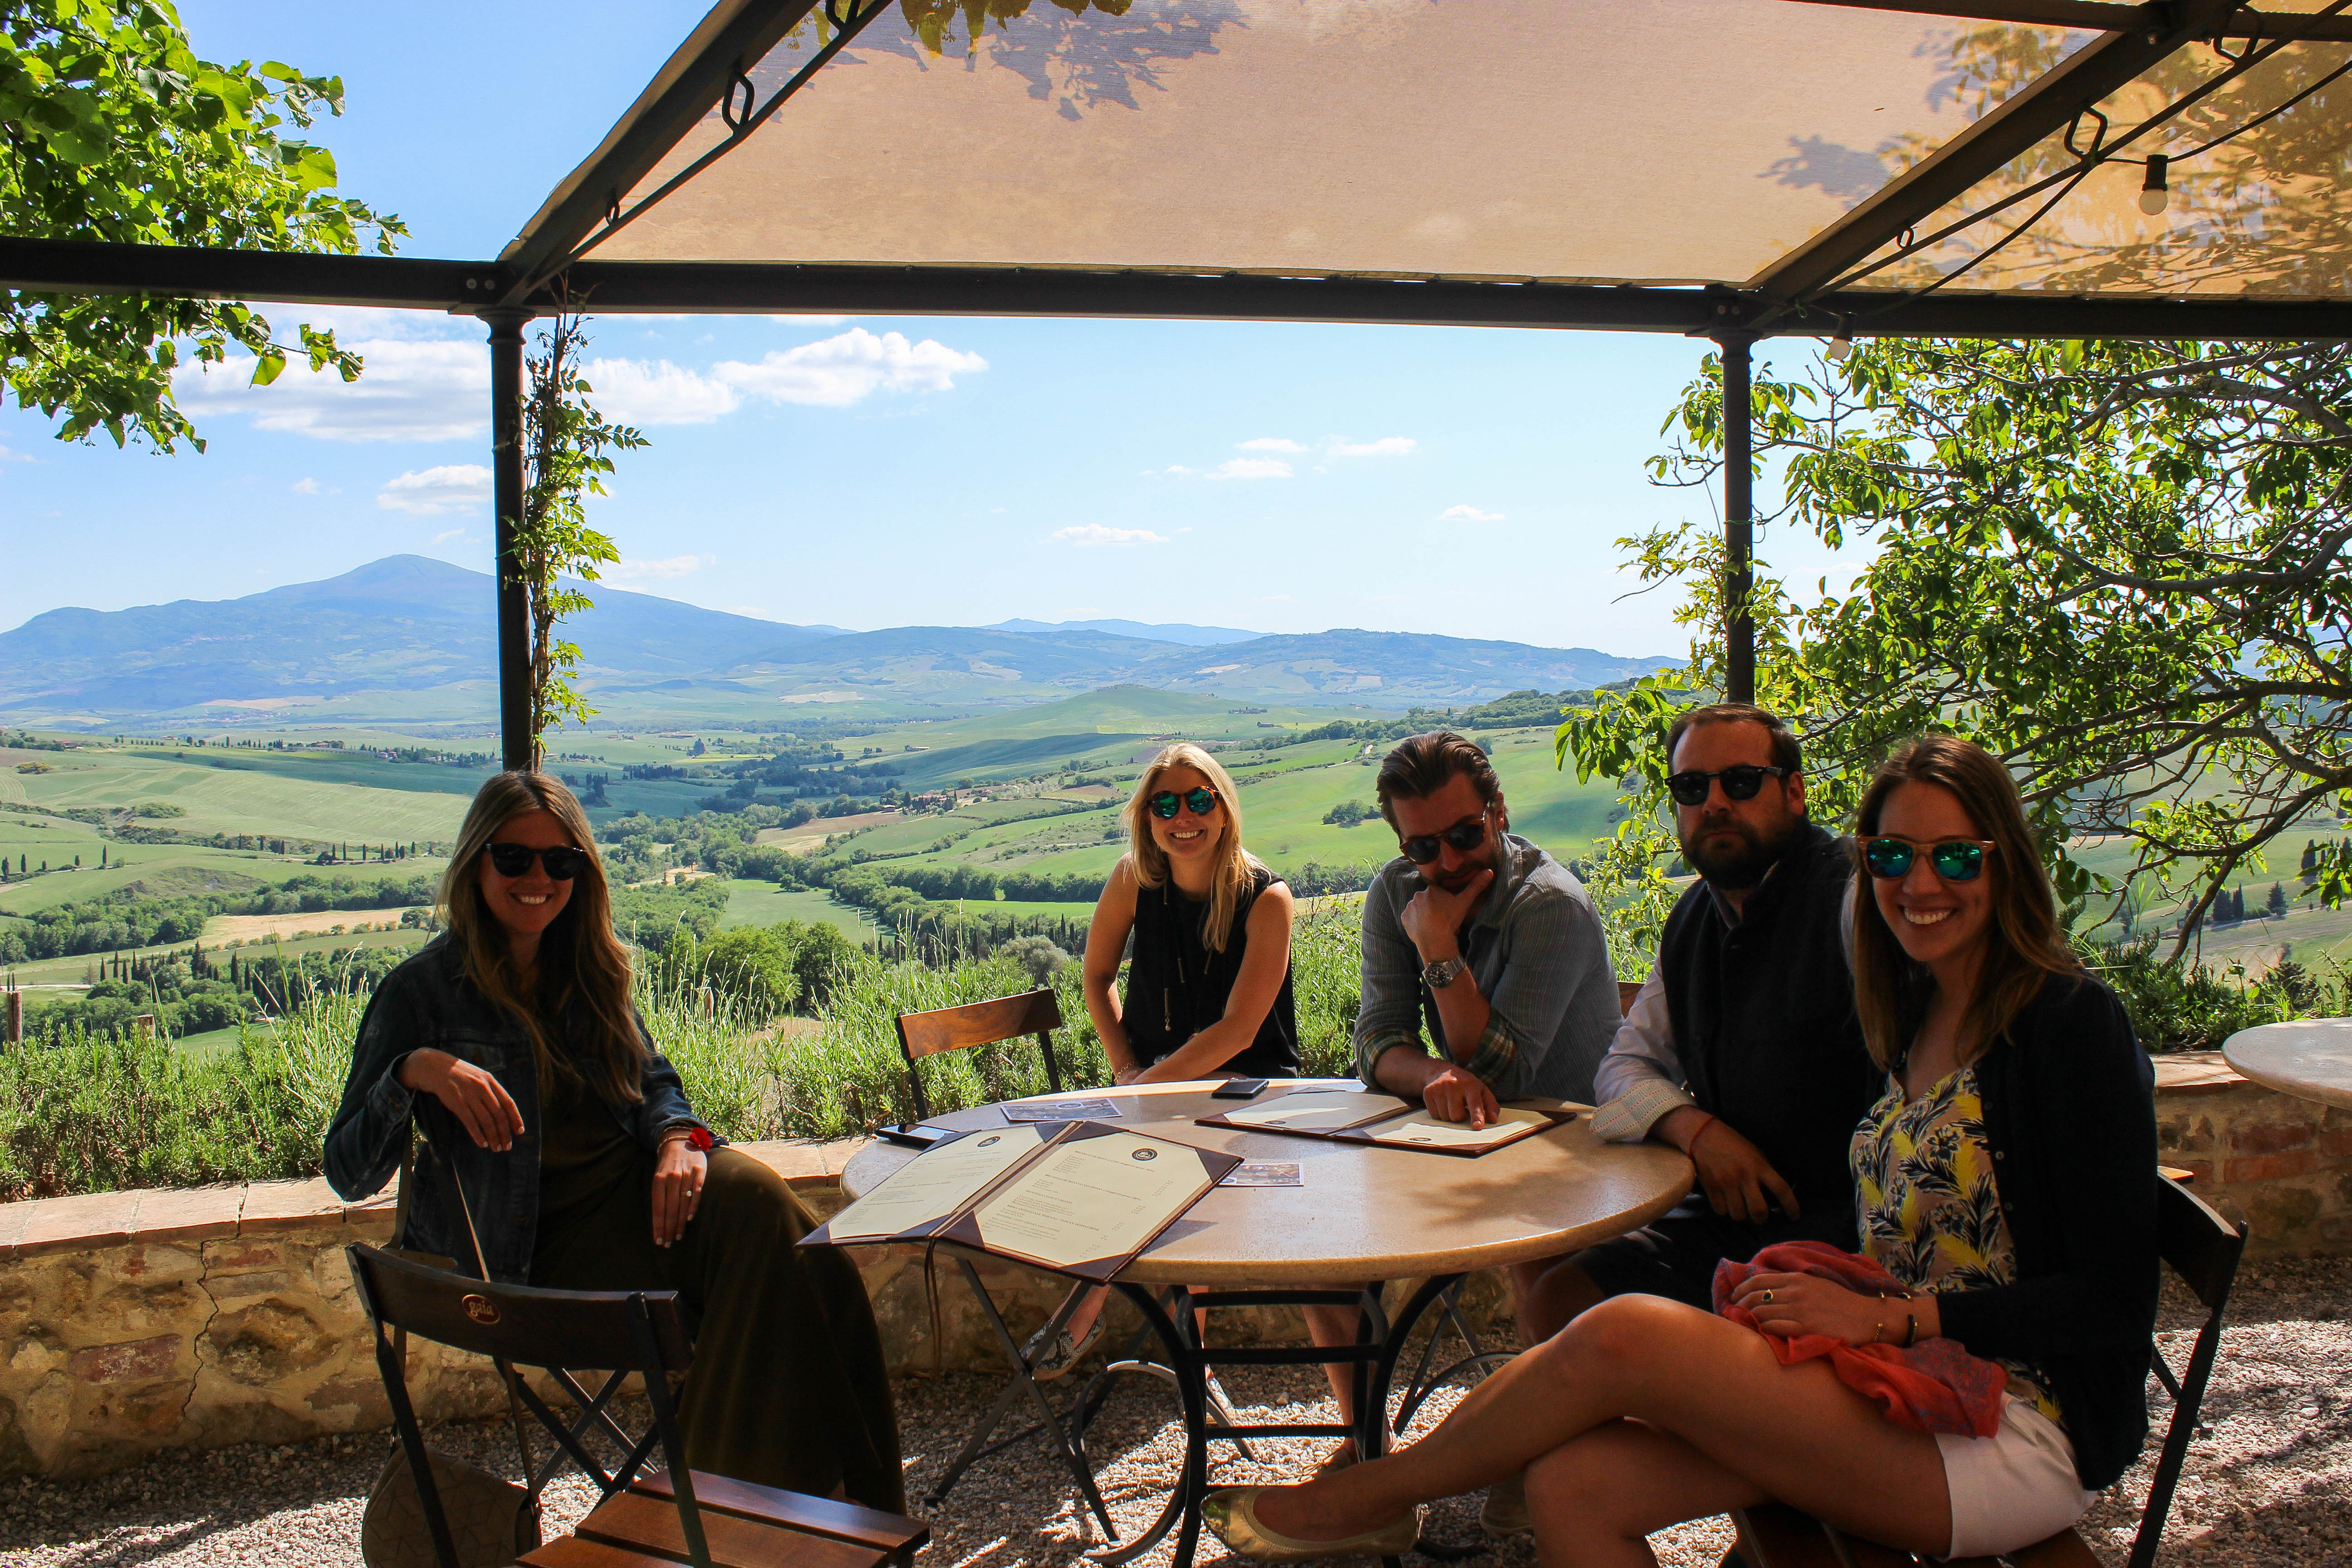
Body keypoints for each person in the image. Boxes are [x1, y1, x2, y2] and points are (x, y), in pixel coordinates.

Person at [1201, 733, 2159, 1566]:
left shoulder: (2068, 1025)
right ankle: (1380, 1491)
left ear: (2008, 863)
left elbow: (2115, 1301)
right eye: (1892, 857)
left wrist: (1894, 1320)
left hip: (2019, 1427)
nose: (1918, 885)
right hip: (1906, 1384)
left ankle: (1372, 1494)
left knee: (1628, 1332)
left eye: (1956, 860)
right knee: (1573, 1486)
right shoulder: (1907, 1013)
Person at [324, 771, 904, 1510]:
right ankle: (756, 1519)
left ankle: (822, 1519)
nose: (538, 879)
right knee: (772, 1270)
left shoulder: (587, 971)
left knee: (800, 1251)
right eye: (515, 859)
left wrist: (680, 1141)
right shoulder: (421, 993)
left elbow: (657, 1083)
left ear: (582, 873)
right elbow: (348, 1172)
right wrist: (414, 1071)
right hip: (529, 1247)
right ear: (477, 861)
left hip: (636, 1202)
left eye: (560, 862)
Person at [1477, 703, 1878, 1537]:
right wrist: (1696, 1130)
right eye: (1692, 787)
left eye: (1740, 782)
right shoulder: (1695, 918)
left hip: (1846, 1231)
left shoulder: (1851, 904)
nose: (1715, 805)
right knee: (1561, 1297)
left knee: (1612, 1334)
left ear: (1795, 793)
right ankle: (1572, 1480)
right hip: (1737, 1218)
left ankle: (1720, 1484)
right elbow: (1622, 1068)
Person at [1311, 730, 1618, 1470]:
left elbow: (1506, 1075)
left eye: (1464, 834)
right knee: (1319, 1256)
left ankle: (1552, 1454)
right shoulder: (1396, 894)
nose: (1447, 862)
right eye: (1423, 847)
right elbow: (1377, 1044)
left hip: (1573, 1153)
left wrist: (1441, 953)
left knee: (1543, 1271)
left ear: (1499, 812)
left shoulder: (1551, 905)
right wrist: (1434, 1078)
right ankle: (1366, 1451)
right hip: (1461, 1134)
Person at [1021, 743, 1299, 1386]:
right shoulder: (1133, 880)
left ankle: (1087, 1312)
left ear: (1225, 811)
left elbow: (1241, 1029)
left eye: (1200, 801)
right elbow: (1094, 978)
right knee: (1153, 1158)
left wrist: (1147, 1088)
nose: (1185, 818)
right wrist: (1126, 1071)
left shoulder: (1266, 898)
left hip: (1247, 1088)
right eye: (1166, 804)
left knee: (1167, 1162)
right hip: (1154, 1087)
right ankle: (1188, 1360)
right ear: (1146, 816)